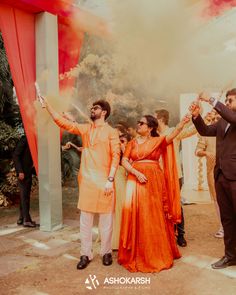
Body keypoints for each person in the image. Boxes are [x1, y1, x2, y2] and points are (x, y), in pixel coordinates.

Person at [41, 98, 120, 269]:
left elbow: (116, 156)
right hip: (88, 183)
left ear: (104, 112)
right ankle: (85, 254)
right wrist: (48, 106)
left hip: (105, 183)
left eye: (96, 108)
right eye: (91, 108)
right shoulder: (85, 129)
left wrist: (110, 179)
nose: (92, 110)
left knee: (106, 223)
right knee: (85, 223)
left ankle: (106, 252)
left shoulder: (112, 132)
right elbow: (63, 123)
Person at [118, 114, 189, 273]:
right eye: (138, 122)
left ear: (150, 128)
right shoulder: (132, 143)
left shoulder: (157, 141)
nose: (138, 125)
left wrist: (184, 120)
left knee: (153, 214)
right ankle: (137, 252)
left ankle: (155, 253)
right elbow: (124, 161)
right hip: (134, 180)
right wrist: (136, 173)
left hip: (154, 181)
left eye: (142, 123)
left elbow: (173, 134)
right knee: (136, 213)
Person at [189, 89, 236, 269]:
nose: (227, 103)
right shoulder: (223, 121)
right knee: (227, 219)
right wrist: (196, 116)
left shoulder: (232, 118)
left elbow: (233, 117)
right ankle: (231, 256)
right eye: (226, 101)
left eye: (230, 100)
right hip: (221, 176)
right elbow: (206, 130)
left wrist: (211, 99)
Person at [155, 109, 197, 247]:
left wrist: (201, 119)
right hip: (157, 175)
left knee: (175, 204)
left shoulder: (174, 131)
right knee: (161, 205)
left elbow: (191, 131)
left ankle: (181, 235)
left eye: (154, 117)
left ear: (161, 119)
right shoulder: (154, 135)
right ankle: (167, 233)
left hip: (175, 174)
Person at [195, 110, 224, 238]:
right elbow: (197, 151)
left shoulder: (230, 131)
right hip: (213, 172)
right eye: (215, 117)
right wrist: (206, 153)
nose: (216, 120)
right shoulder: (206, 133)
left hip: (231, 171)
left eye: (219, 117)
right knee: (217, 200)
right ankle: (223, 227)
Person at [13, 135, 36, 227]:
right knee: (25, 197)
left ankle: (21, 218)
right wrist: (20, 171)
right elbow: (16, 155)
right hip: (23, 173)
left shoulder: (33, 141)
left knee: (24, 196)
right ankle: (27, 220)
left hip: (28, 172)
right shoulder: (25, 138)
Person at [112, 132, 130, 250]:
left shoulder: (130, 154)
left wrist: (125, 152)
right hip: (113, 186)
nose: (120, 144)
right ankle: (113, 240)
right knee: (112, 213)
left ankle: (122, 240)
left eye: (123, 141)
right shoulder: (115, 155)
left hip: (124, 187)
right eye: (119, 141)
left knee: (122, 212)